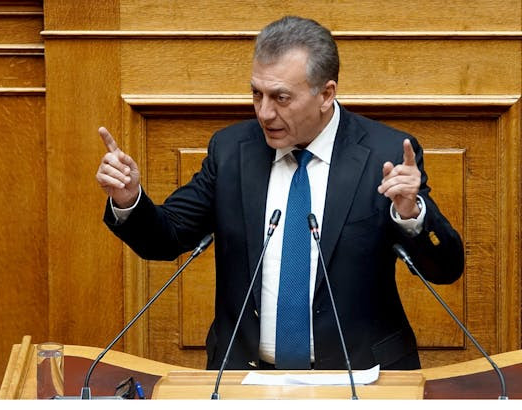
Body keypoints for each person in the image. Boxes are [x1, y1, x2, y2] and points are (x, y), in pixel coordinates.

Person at [96, 15, 464, 371]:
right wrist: (129, 200)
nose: (264, 113)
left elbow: (445, 268)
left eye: (281, 98)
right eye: (257, 94)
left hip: (361, 377)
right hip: (246, 379)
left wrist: (412, 214)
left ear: (326, 94)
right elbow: (166, 237)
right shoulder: (231, 151)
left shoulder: (384, 154)